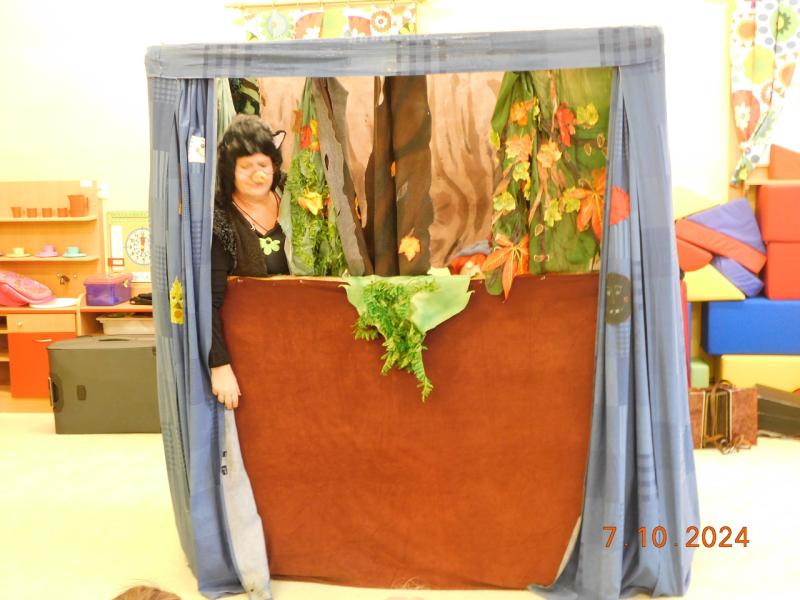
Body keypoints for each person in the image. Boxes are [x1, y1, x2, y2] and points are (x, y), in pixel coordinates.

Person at [210, 115, 288, 410]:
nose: (257, 175)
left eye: (263, 165)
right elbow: (208, 302)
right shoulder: (220, 221)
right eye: (246, 167)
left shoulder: (297, 201)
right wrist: (219, 365)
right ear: (230, 170)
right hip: (245, 354)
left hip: (297, 340)